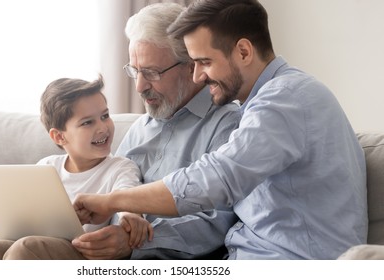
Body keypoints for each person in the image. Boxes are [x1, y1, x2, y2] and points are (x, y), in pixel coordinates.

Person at [74, 0, 368, 260]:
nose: (198, 75)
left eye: (204, 62)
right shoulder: (268, 101)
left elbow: (213, 180)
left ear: (243, 51)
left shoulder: (286, 98)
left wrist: (111, 202)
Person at [0, 2, 241, 260]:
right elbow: (110, 193)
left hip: (148, 257)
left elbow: (220, 220)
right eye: (135, 71)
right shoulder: (142, 127)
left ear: (190, 67)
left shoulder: (226, 125)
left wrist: (134, 239)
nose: (139, 87)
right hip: (91, 243)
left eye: (152, 73)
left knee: (26, 252)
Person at [0, 76, 153, 260]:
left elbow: (128, 197)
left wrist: (129, 216)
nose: (103, 127)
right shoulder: (47, 167)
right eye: (88, 122)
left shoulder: (120, 167)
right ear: (59, 136)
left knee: (26, 248)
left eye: (105, 116)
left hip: (81, 253)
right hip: (39, 242)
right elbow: (26, 217)